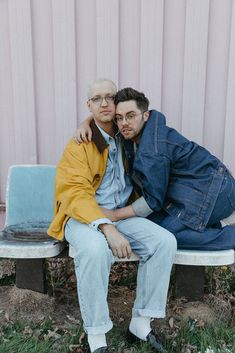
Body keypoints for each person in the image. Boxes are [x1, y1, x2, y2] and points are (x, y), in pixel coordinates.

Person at [48, 79, 177, 353]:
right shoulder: (80, 144)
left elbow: (152, 117)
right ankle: (97, 338)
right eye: (97, 99)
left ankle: (140, 324)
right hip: (83, 218)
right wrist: (107, 227)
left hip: (122, 216)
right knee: (95, 250)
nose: (104, 103)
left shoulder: (126, 134)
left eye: (109, 97)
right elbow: (75, 192)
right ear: (89, 105)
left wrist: (116, 222)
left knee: (164, 242)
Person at [76, 87, 235, 251]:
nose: (124, 123)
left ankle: (229, 235)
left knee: (166, 235)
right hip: (195, 190)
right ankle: (205, 225)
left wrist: (114, 215)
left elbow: (153, 202)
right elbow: (104, 116)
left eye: (130, 116)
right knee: (152, 224)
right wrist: (86, 123)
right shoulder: (136, 129)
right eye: (119, 118)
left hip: (217, 192)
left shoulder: (153, 151)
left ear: (145, 115)